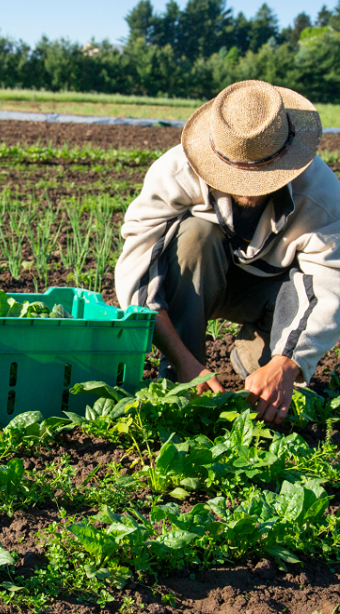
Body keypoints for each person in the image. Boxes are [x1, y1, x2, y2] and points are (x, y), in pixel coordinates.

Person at [115, 79, 340, 424]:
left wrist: (286, 364)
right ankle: (181, 375)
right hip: (200, 279)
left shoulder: (320, 195)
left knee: (267, 391)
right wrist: (185, 362)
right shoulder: (176, 172)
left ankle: (255, 354)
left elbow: (328, 285)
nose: (248, 191)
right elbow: (139, 272)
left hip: (270, 292)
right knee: (194, 235)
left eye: (262, 177)